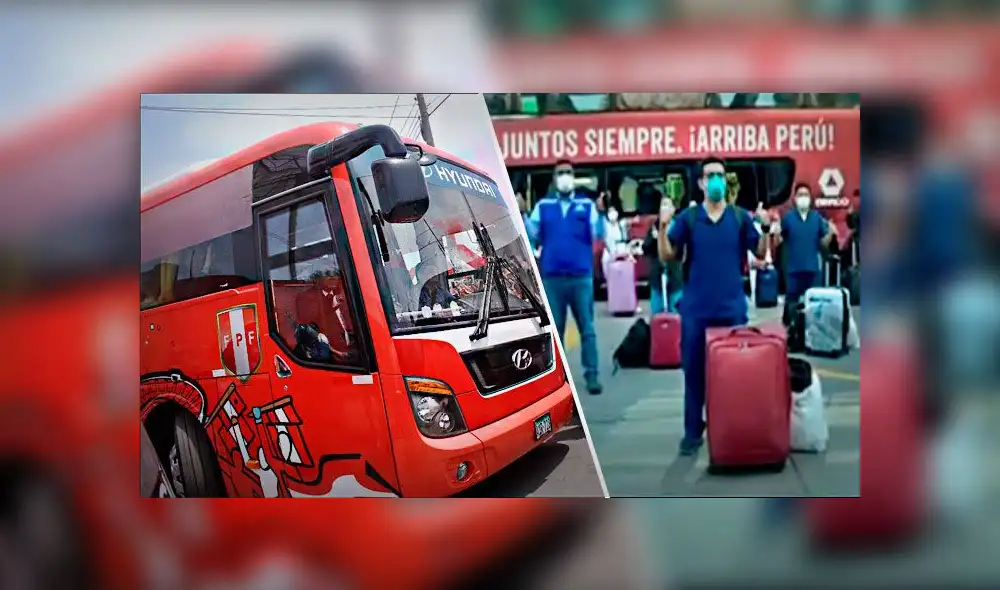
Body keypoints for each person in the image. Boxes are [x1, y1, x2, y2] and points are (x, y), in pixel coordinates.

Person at [657, 156, 770, 455]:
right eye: (711, 175)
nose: (716, 180)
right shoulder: (690, 219)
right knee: (694, 375)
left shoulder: (739, 217)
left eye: (721, 174)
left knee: (732, 378)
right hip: (697, 312)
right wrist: (663, 224)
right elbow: (668, 255)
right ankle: (693, 433)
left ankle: (731, 431)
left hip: (732, 311)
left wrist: (768, 229)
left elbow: (759, 252)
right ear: (701, 183)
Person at [525, 159, 605, 394]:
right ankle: (556, 379)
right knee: (555, 331)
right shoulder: (544, 207)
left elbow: (598, 233)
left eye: (568, 172)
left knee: (587, 329)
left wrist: (600, 212)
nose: (565, 176)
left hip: (581, 277)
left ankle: (592, 376)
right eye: (561, 173)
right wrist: (521, 211)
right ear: (554, 178)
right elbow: (533, 234)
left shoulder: (586, 206)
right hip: (553, 278)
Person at [773, 182, 837, 323]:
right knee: (792, 306)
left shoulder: (816, 218)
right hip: (793, 270)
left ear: (810, 198)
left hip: (812, 269)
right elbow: (777, 242)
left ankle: (812, 335)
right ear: (794, 198)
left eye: (806, 195)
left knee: (814, 307)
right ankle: (791, 333)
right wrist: (776, 232)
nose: (803, 198)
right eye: (800, 195)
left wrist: (830, 233)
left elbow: (823, 244)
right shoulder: (788, 218)